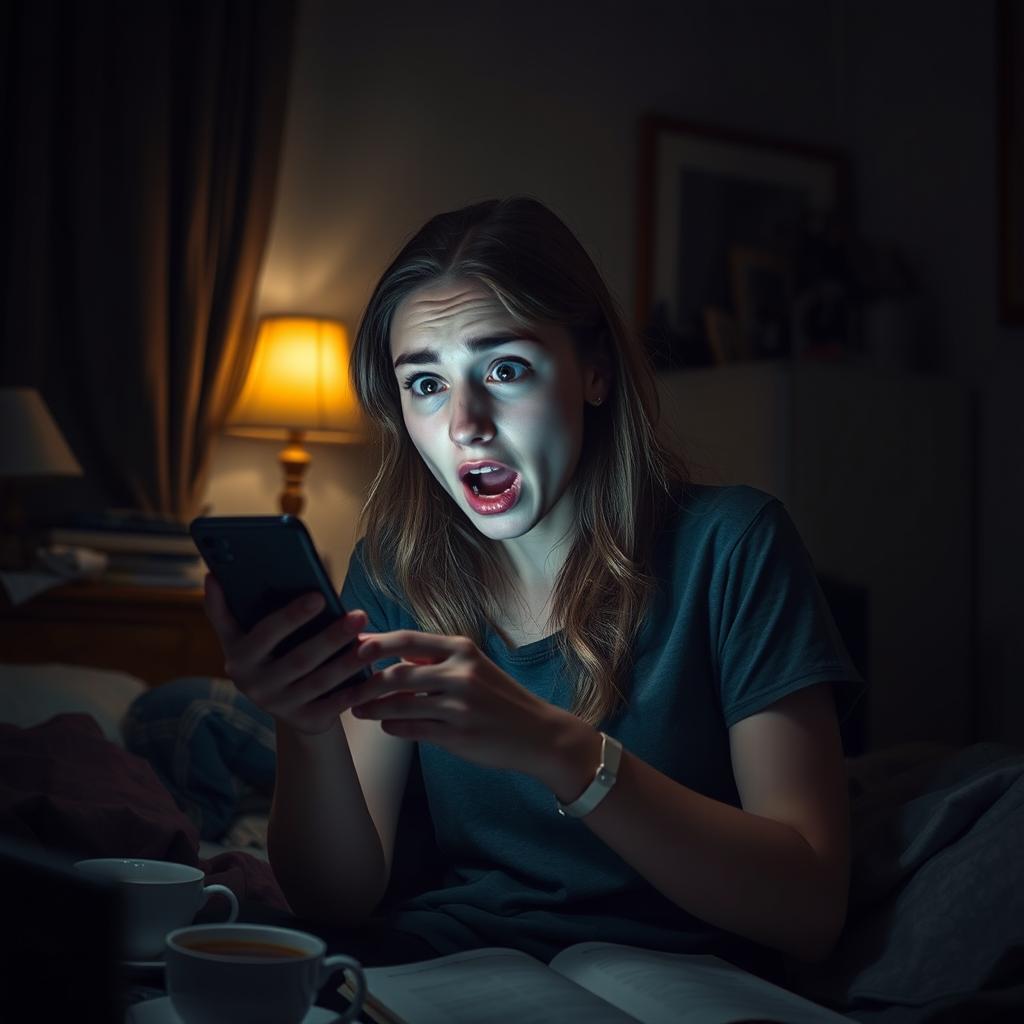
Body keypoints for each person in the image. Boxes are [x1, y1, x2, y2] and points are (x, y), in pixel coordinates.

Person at [202, 196, 863, 987]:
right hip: (449, 973)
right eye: (424, 384)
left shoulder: (734, 545)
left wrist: (559, 750)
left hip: (683, 987)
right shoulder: (395, 569)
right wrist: (303, 726)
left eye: (504, 369)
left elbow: (811, 911)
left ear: (594, 370)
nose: (465, 424)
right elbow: (335, 899)